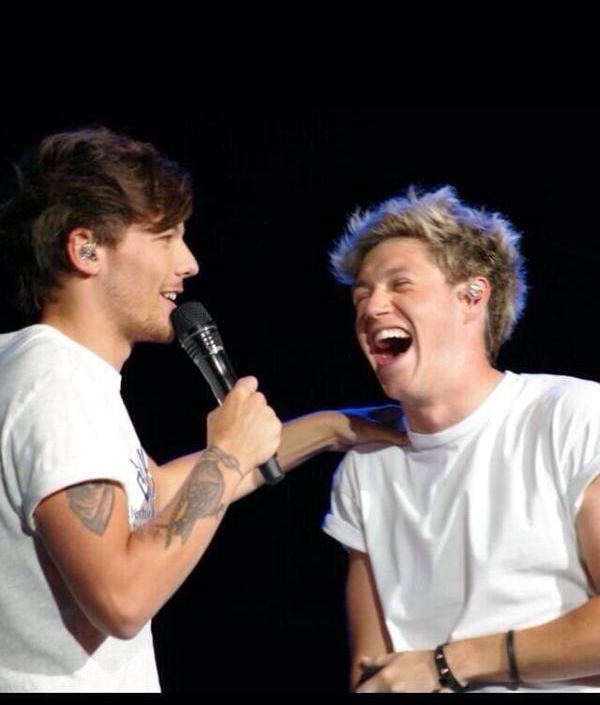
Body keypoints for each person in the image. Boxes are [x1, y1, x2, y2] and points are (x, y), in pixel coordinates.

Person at [0, 127, 406, 693]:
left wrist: (331, 429)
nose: (188, 262)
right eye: (165, 236)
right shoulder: (58, 384)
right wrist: (226, 455)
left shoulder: (45, 371)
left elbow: (157, 494)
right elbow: (121, 598)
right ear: (86, 249)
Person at [323, 185, 600, 693]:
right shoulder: (364, 468)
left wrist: (449, 662)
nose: (372, 306)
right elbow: (373, 671)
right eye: (362, 294)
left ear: (473, 297)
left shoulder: (572, 415)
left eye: (400, 284)